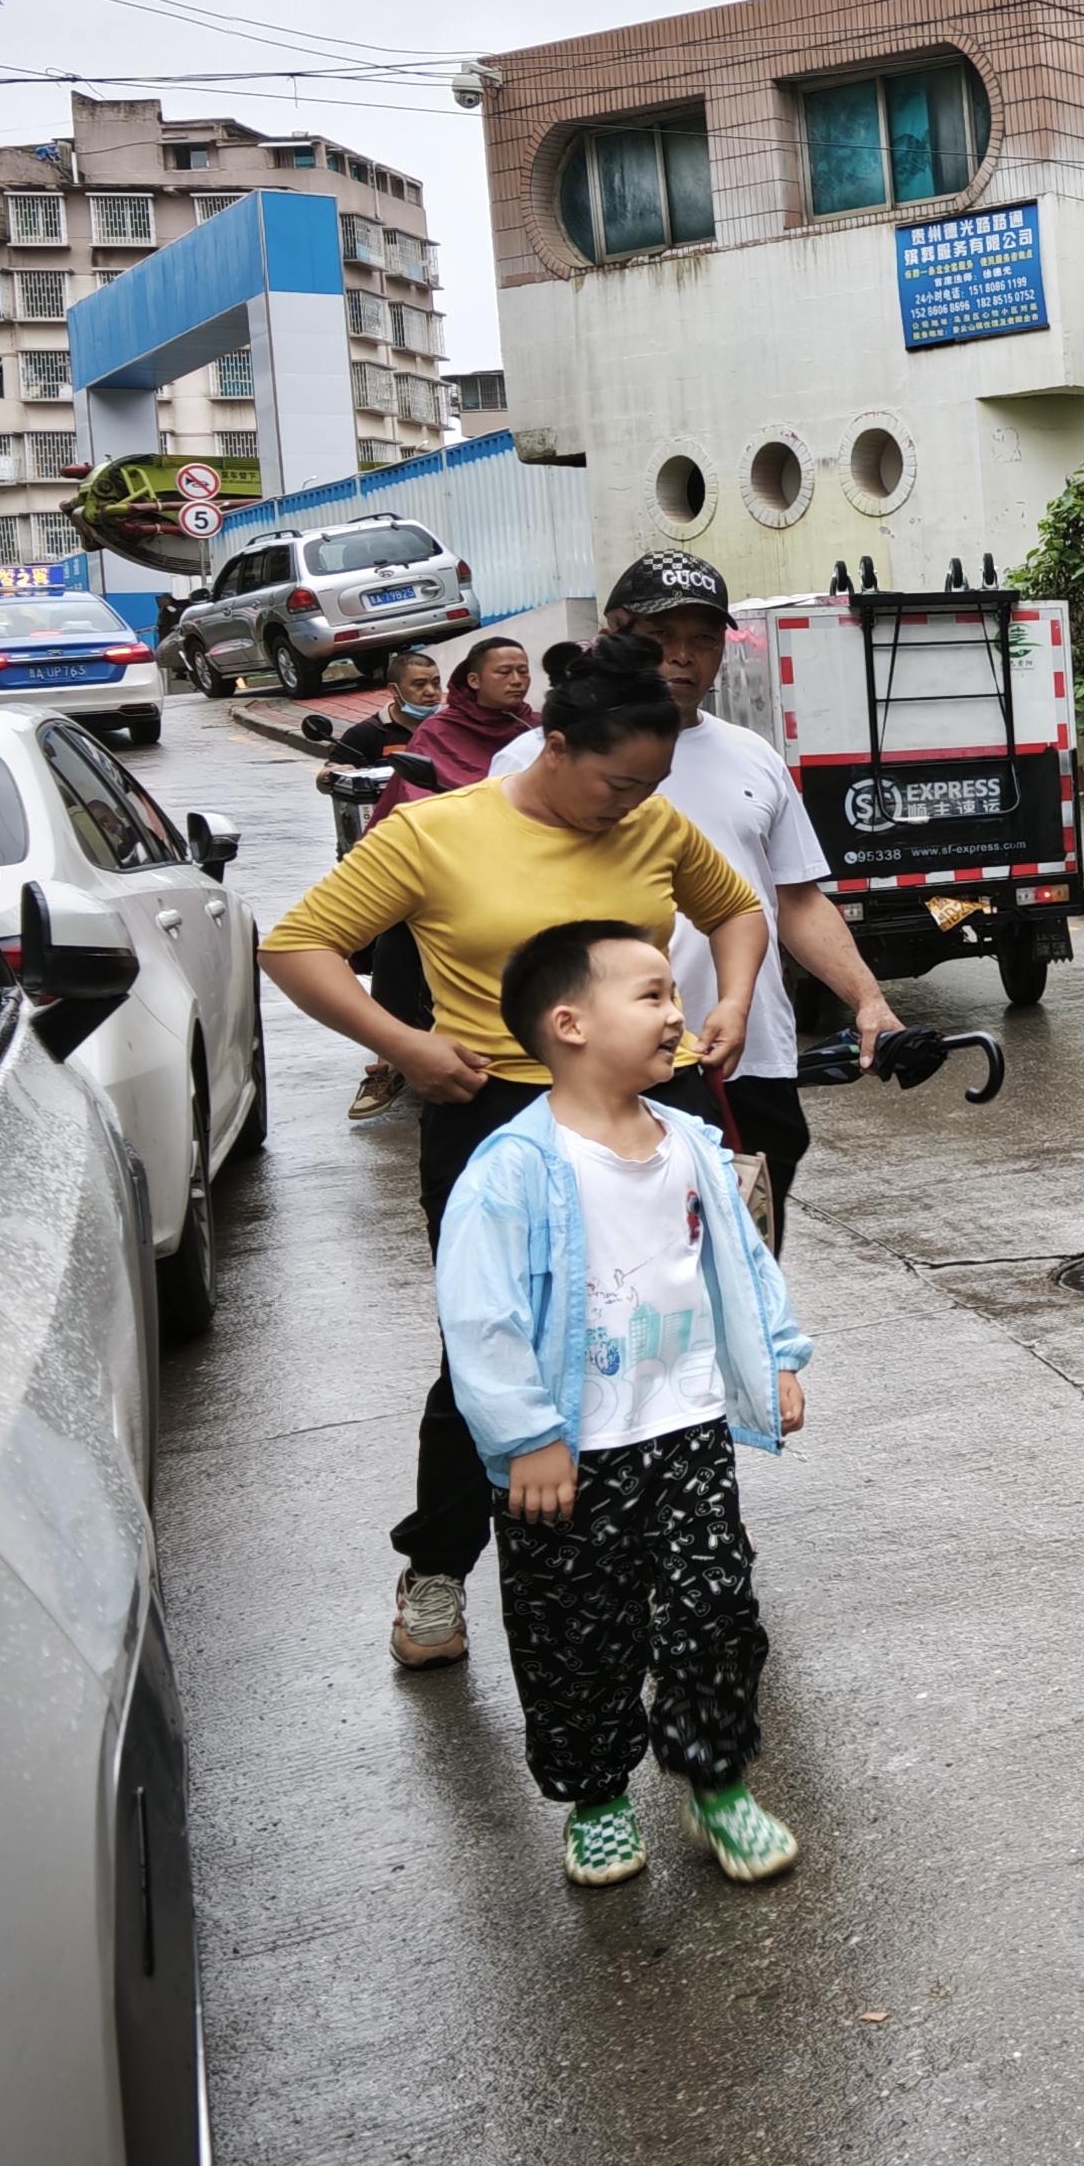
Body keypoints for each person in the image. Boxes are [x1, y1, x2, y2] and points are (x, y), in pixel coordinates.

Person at [259, 633, 769, 1674]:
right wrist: (406, 1046)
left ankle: (670, 1550)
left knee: (666, 1326)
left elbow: (736, 910)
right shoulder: (435, 832)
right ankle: (438, 1565)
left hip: (647, 1108)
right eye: (618, 782)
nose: (634, 805)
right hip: (495, 1114)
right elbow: (296, 945)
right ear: (555, 744)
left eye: (652, 786)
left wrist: (734, 1000)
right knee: (493, 1346)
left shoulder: (653, 823)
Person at [437, 917, 809, 1888]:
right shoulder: (512, 1172)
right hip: (569, 1453)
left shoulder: (691, 1143)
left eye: (673, 993)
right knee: (575, 1636)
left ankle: (718, 1784)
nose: (676, 1012)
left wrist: (776, 1358)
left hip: (687, 1431)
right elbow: (479, 1319)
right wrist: (527, 1438)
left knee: (716, 1609)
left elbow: (745, 1264)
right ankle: (598, 1800)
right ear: (570, 1023)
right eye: (651, 995)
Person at [493, 551, 893, 1251]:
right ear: (613, 636)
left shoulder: (753, 756)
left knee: (749, 1265)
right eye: (659, 637)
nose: (683, 656)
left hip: (747, 1059)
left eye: (703, 639)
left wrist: (867, 999)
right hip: (599, 1066)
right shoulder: (538, 760)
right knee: (625, 1275)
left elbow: (795, 901)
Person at [345, 638, 543, 1125]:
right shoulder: (439, 732)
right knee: (400, 939)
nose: (517, 680)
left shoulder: (538, 731)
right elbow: (415, 801)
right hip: (450, 861)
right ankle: (390, 1059)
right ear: (473, 680)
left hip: (531, 860)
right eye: (504, 672)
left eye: (522, 671)